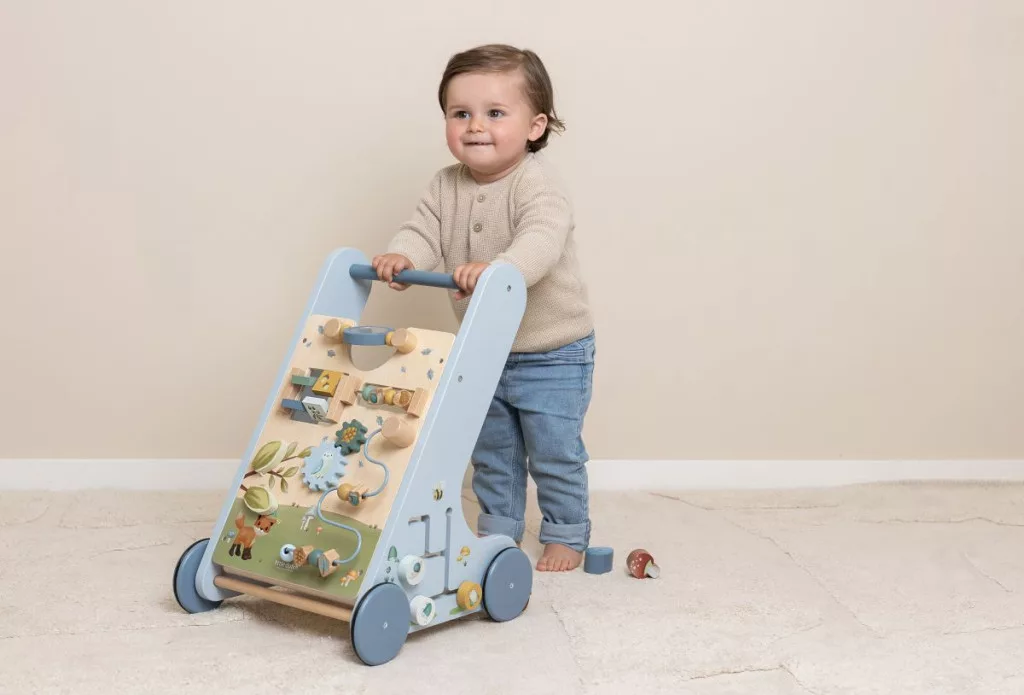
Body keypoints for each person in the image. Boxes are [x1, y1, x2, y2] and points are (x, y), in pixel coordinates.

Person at [372, 44, 595, 572]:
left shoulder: (537, 183)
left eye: (495, 113)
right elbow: (423, 229)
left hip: (553, 351)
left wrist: (499, 270)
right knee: (492, 451)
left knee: (554, 451)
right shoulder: (445, 184)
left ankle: (567, 532)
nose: (475, 126)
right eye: (460, 114)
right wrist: (405, 255)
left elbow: (542, 239)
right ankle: (499, 529)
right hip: (484, 350)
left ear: (535, 127)